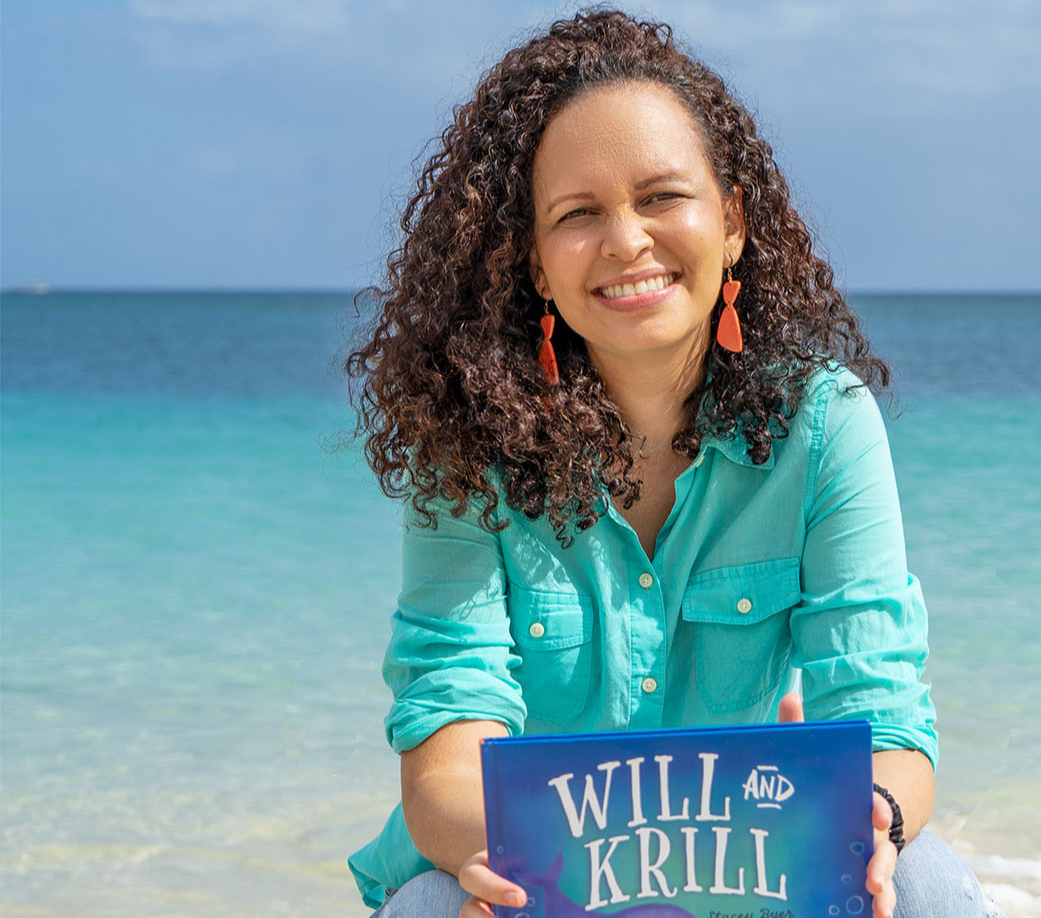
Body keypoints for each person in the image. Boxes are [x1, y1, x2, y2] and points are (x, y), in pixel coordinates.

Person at [344, 10, 1005, 918]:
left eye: (662, 197)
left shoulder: (822, 425)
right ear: (533, 265)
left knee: (931, 887)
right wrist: (511, 865)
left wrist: (872, 822)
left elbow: (883, 716)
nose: (626, 242)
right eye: (578, 215)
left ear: (732, 222)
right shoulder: (468, 446)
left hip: (759, 871)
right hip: (529, 875)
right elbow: (448, 730)